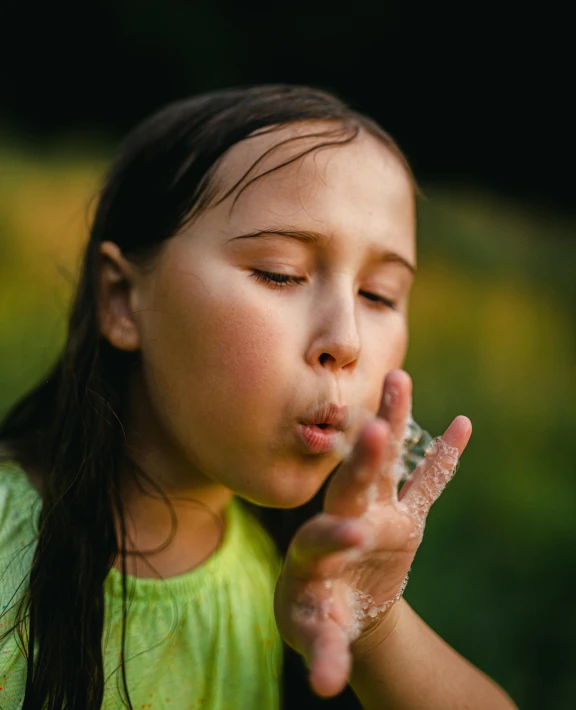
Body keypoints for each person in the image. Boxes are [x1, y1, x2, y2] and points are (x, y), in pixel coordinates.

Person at [0, 84, 518, 709]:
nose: (345, 342)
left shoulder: (295, 590)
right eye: (280, 272)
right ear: (121, 300)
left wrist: (377, 625)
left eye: (379, 295)